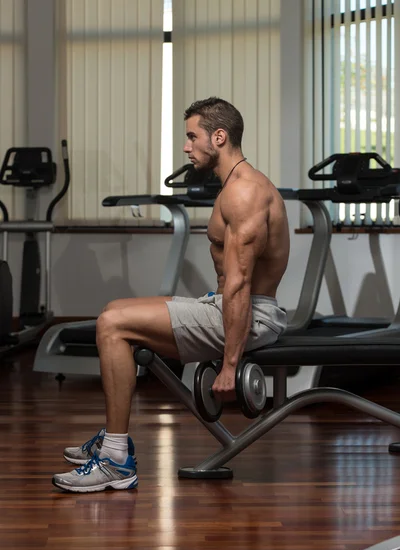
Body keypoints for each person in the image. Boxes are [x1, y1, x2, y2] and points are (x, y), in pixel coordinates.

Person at [52, 97, 290, 493]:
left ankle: (114, 458)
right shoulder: (236, 185)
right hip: (225, 307)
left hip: (250, 318)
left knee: (112, 325)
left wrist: (230, 365)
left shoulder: (244, 193)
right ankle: (113, 438)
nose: (186, 146)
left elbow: (238, 284)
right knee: (112, 311)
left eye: (191, 136)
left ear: (219, 136)